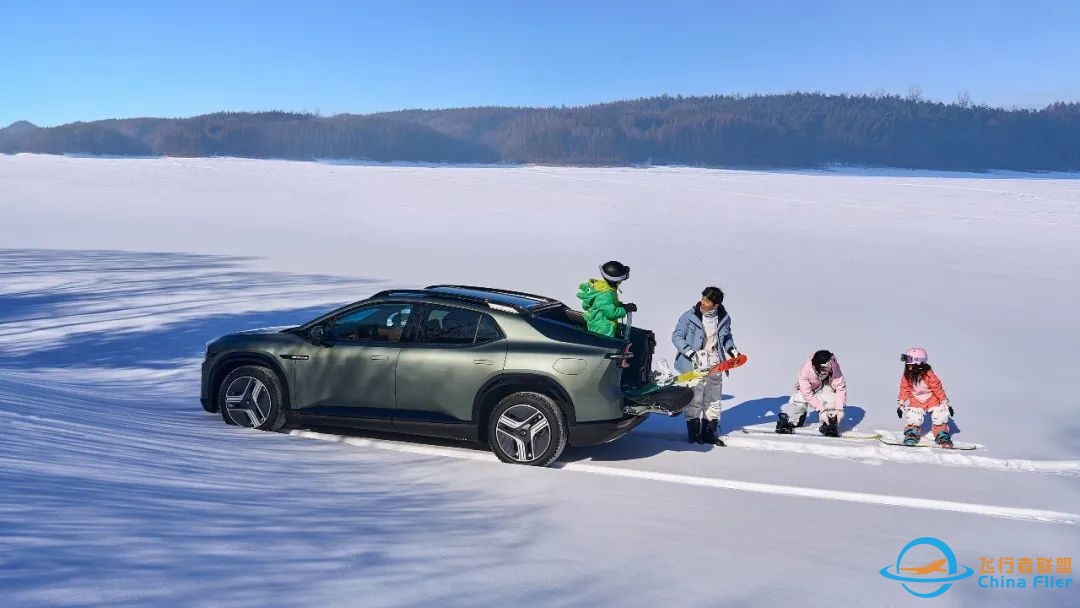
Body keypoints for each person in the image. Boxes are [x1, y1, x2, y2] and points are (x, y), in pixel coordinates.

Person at [672, 286, 739, 446]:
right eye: (702, 297)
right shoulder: (689, 316)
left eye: (707, 300)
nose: (702, 302)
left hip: (716, 363)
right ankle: (694, 434)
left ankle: (709, 432)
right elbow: (677, 337)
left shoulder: (724, 318)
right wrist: (691, 353)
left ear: (715, 305)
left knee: (713, 398)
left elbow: (726, 337)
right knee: (695, 397)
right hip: (695, 363)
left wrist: (732, 349)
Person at [776, 350, 847, 437]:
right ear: (818, 366)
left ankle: (829, 422)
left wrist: (839, 409)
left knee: (831, 398)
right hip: (808, 389)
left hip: (825, 386)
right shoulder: (805, 371)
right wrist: (821, 410)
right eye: (826, 367)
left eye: (830, 365)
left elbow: (840, 387)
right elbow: (807, 394)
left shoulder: (833, 364)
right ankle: (793, 420)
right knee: (799, 399)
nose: (830, 368)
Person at [897, 347, 954, 448]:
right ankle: (912, 433)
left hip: (932, 398)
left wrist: (944, 402)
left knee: (940, 416)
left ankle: (942, 434)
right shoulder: (907, 375)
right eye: (906, 361)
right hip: (916, 398)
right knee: (914, 416)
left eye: (909, 361)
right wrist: (901, 402)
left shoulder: (928, 374)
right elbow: (904, 388)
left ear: (919, 362)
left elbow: (937, 388)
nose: (907, 364)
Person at [577, 260, 637, 338]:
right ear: (615, 280)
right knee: (603, 346)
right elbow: (611, 313)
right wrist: (625, 309)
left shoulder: (608, 288)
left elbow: (610, 305)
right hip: (601, 329)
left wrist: (623, 306)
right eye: (621, 279)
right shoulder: (605, 294)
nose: (621, 281)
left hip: (602, 324)